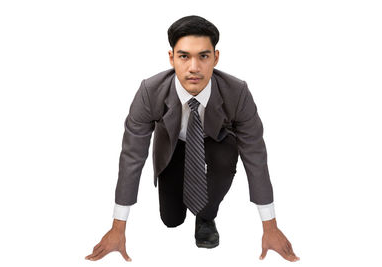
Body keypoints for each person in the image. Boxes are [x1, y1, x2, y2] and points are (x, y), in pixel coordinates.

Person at [85, 15, 299, 262]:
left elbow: (255, 155)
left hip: (216, 145)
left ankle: (206, 216)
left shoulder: (237, 92)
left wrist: (269, 227)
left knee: (215, 178)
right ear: (171, 57)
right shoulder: (149, 92)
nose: (194, 67)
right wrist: (117, 228)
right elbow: (132, 155)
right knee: (171, 220)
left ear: (216, 58)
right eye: (184, 56)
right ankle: (181, 200)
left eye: (204, 56)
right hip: (173, 148)